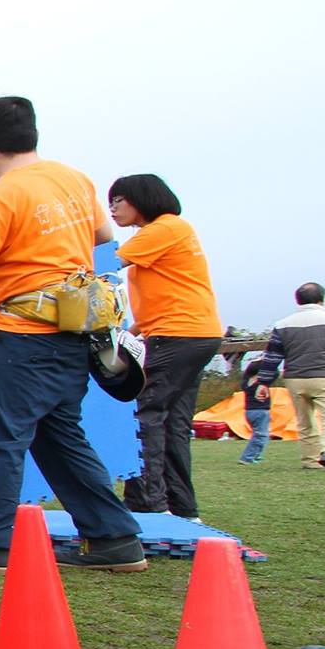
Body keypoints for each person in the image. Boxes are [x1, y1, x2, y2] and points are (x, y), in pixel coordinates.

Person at [0, 96, 146, 571]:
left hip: (21, 336)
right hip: (73, 333)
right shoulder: (74, 179)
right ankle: (114, 539)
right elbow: (102, 234)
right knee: (59, 437)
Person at [108, 173, 223, 517]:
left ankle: (148, 506)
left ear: (143, 198)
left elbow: (106, 263)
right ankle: (182, 507)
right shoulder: (169, 232)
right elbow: (171, 290)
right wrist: (136, 331)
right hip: (192, 333)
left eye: (118, 200)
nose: (112, 209)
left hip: (178, 334)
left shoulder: (164, 228)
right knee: (172, 421)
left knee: (142, 414)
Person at [254, 281, 325, 471]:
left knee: (305, 420)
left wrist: (263, 382)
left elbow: (273, 357)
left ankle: (310, 460)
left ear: (298, 301)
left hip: (295, 378)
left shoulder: (282, 325)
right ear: (321, 299)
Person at [238, 351, 273, 464]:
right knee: (261, 435)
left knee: (259, 434)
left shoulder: (246, 382)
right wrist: (267, 360)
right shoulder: (260, 383)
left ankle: (256, 456)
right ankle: (247, 457)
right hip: (260, 411)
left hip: (249, 411)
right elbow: (274, 373)